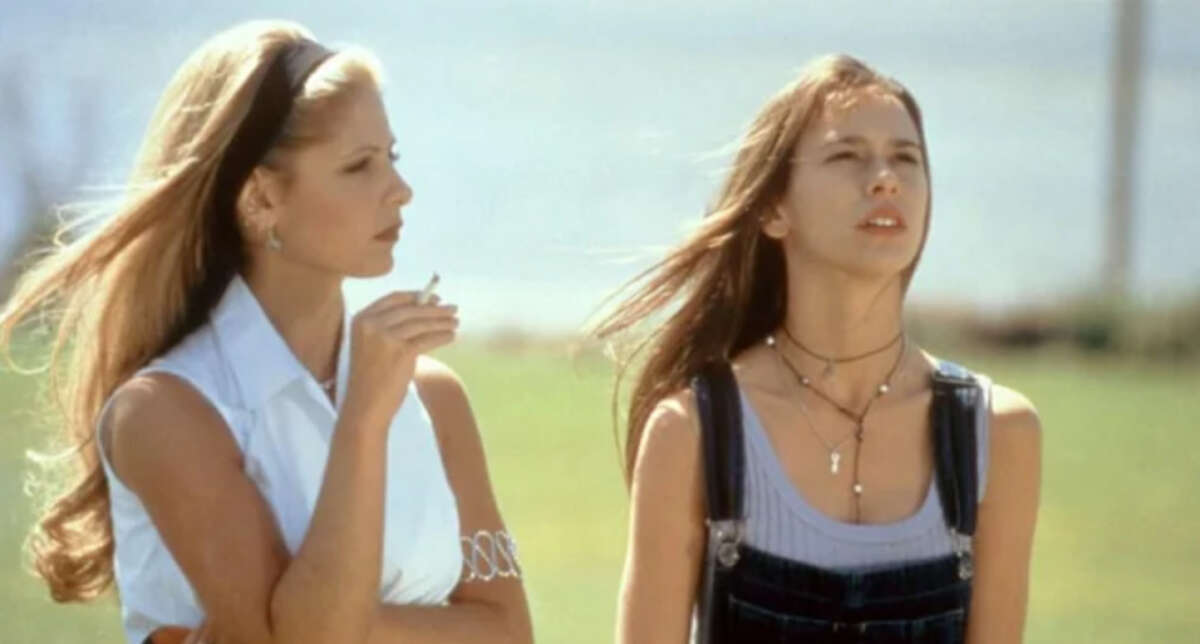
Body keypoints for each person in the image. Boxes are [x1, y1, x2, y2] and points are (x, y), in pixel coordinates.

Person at [0, 20, 531, 644]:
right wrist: (360, 424)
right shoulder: (166, 412)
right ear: (260, 199)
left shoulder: (434, 400)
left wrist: (334, 624)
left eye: (392, 157)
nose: (400, 190)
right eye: (359, 166)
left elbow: (509, 631)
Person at [595, 54, 1041, 643]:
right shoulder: (693, 431)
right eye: (846, 155)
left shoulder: (997, 432)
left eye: (906, 159)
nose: (885, 178)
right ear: (775, 209)